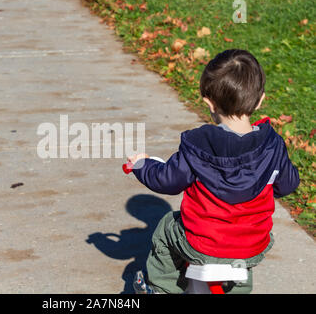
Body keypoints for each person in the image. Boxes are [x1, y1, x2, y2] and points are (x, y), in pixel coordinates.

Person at [128, 49, 300, 294]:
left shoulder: (198, 144)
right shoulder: (272, 145)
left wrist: (142, 166)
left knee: (167, 227)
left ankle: (162, 288)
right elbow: (288, 184)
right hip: (254, 245)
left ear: (208, 101)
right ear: (261, 99)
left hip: (202, 244)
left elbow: (167, 179)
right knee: (244, 239)